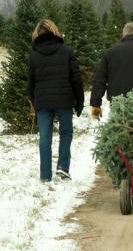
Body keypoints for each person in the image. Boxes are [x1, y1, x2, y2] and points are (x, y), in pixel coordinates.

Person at [28, 19, 84, 182]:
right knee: (66, 133)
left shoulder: (34, 55)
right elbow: (76, 79)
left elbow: (30, 83)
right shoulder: (66, 51)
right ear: (54, 31)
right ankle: (63, 167)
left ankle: (45, 175)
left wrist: (33, 101)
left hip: (43, 102)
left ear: (37, 33)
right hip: (64, 101)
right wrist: (79, 101)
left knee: (45, 137)